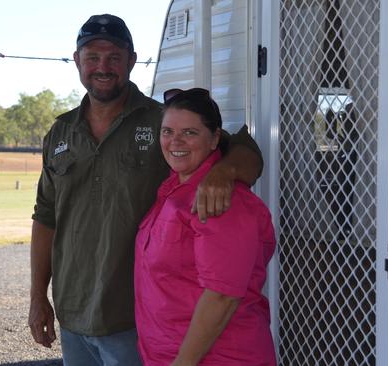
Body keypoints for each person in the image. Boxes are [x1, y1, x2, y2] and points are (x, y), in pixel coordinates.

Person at [28, 14, 263, 365]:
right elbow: (45, 217)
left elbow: (248, 151)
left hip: (135, 318)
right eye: (92, 57)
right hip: (73, 314)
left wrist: (225, 172)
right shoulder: (61, 132)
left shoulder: (164, 123)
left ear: (132, 61)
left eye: (114, 57)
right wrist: (37, 297)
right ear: (77, 61)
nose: (103, 67)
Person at [134, 88, 276, 365]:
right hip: (167, 352)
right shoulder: (174, 189)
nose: (175, 141)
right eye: (167, 131)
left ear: (214, 139)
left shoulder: (221, 198)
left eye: (190, 132)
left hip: (216, 356)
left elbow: (222, 296)